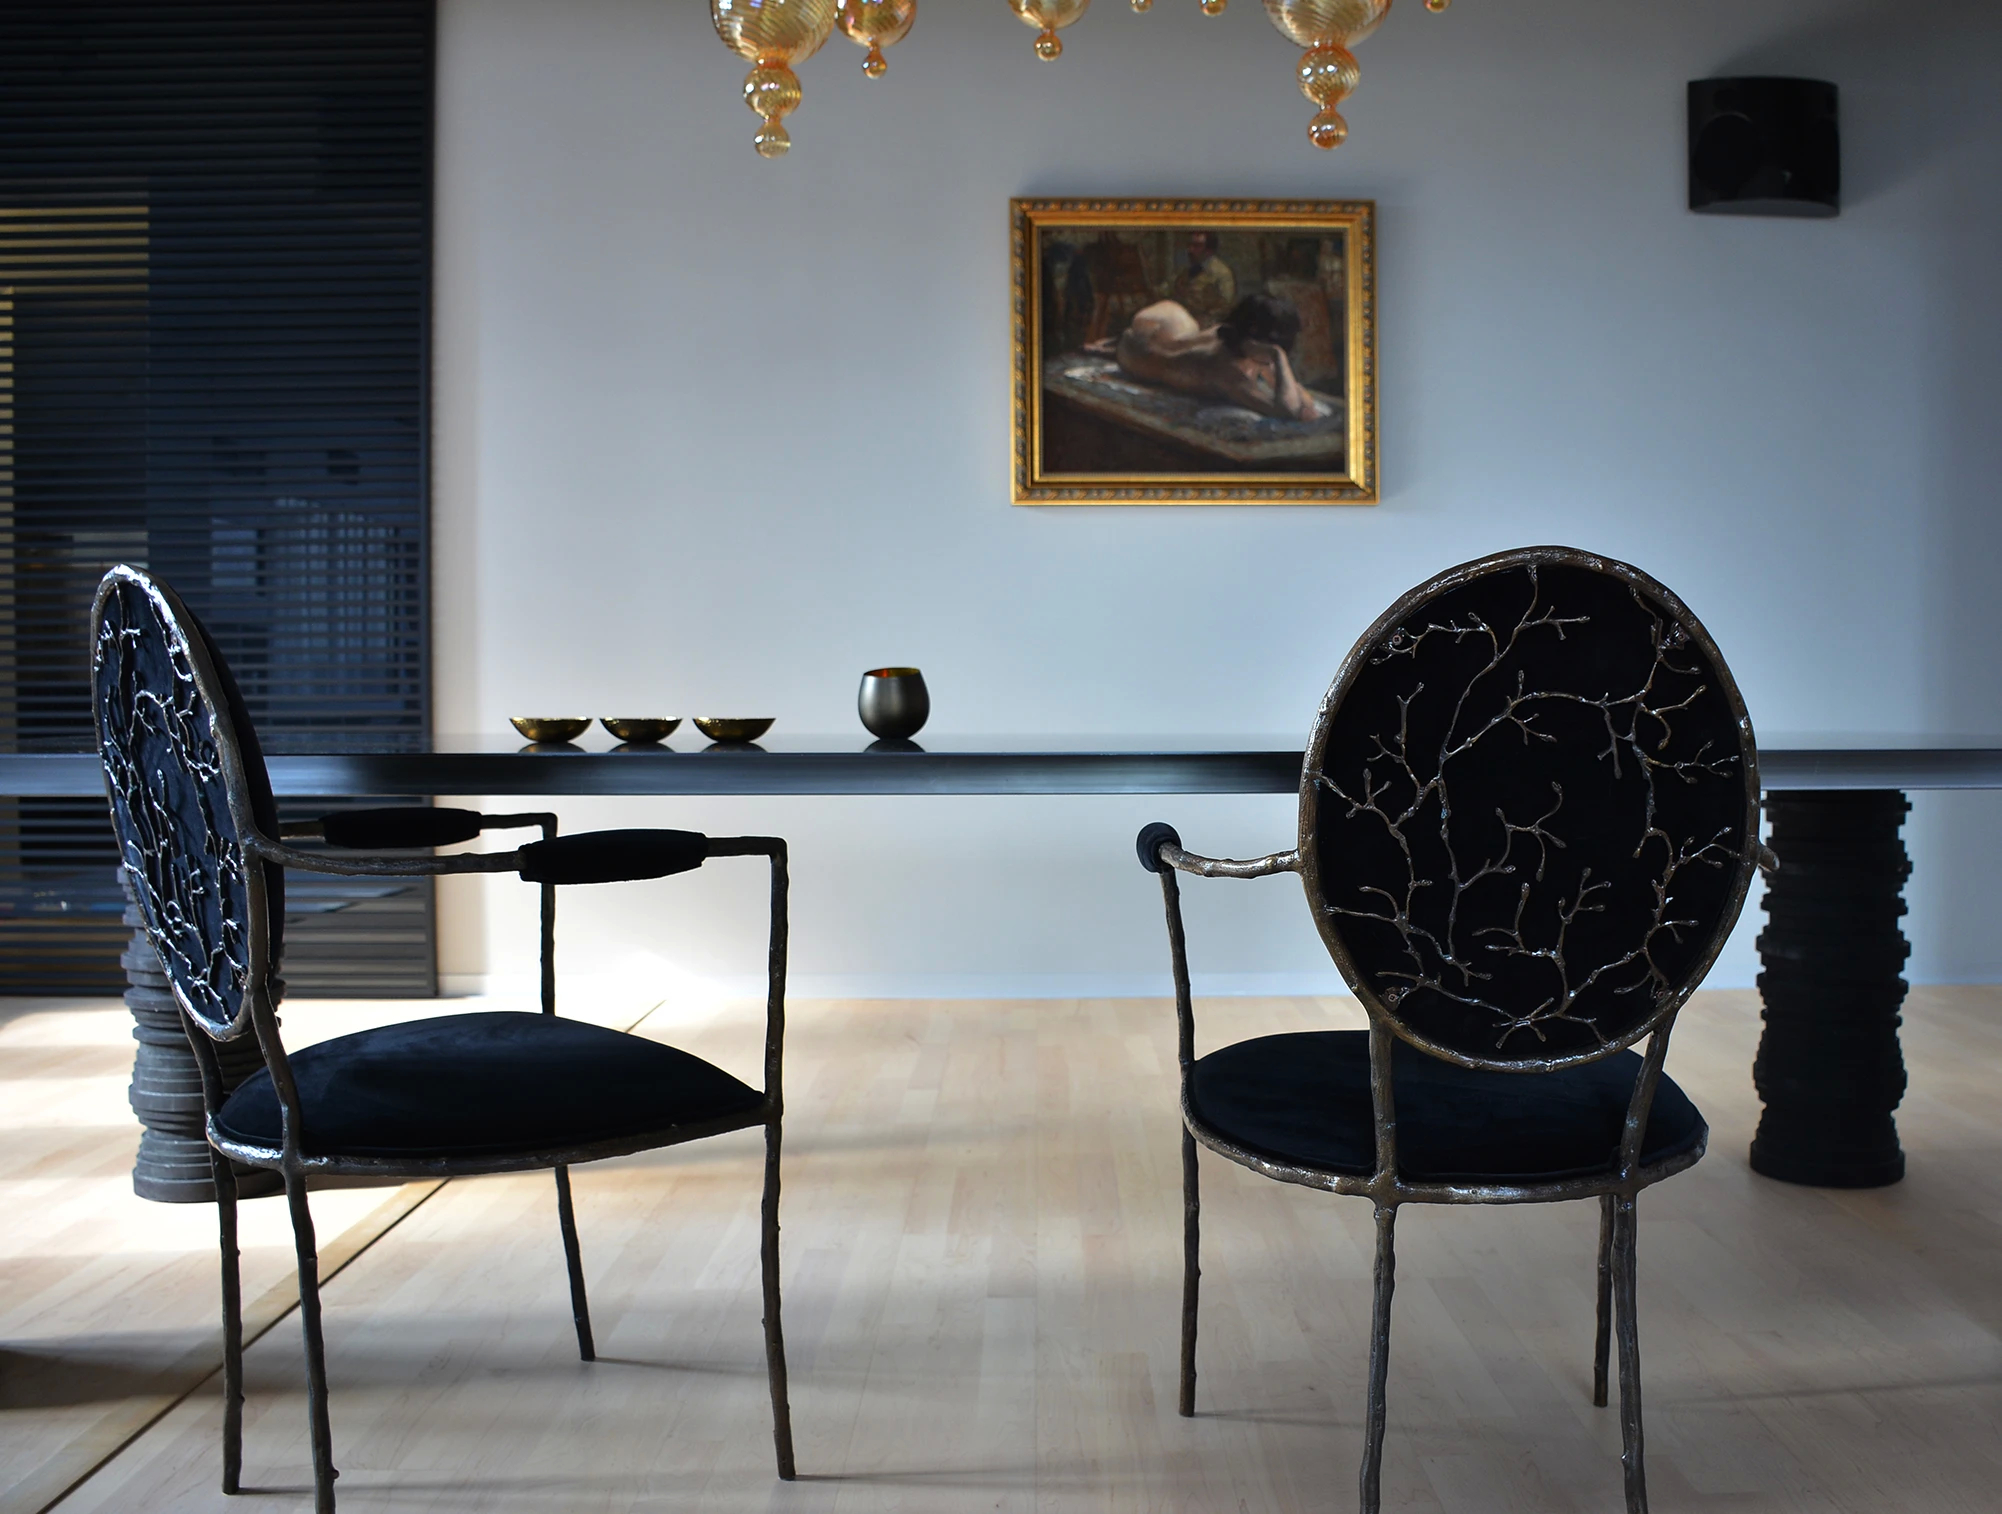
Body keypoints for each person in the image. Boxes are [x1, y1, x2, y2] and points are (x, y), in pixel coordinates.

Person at [1089, 291, 1327, 423]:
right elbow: (1287, 410)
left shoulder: (1228, 335)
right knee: (1179, 329)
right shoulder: (1228, 372)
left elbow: (1300, 399)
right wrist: (1278, 356)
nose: (1281, 351)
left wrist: (1279, 365)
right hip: (1134, 355)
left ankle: (1117, 340)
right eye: (1278, 346)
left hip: (1152, 332)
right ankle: (1116, 342)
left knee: (1183, 325)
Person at [1169, 231, 1236, 327]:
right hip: (1185, 324)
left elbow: (1225, 306)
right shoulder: (1185, 272)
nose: (1190, 250)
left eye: (1197, 246)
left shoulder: (1222, 273)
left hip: (1209, 328)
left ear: (1209, 250)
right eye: (1190, 245)